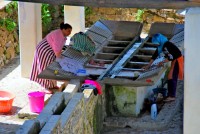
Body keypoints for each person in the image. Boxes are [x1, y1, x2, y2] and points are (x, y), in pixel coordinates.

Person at [30, 22, 72, 94]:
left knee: (52, 68)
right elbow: (57, 52)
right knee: (45, 68)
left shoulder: (62, 35)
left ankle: (52, 85)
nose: (69, 33)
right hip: (43, 50)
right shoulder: (58, 35)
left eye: (70, 31)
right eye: (68, 31)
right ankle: (44, 87)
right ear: (63, 29)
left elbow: (59, 50)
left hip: (49, 51)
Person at [142, 33, 184, 102]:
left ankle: (172, 96)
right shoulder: (162, 46)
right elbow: (154, 56)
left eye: (157, 42)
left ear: (160, 40)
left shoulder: (166, 45)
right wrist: (148, 66)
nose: (157, 44)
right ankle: (170, 94)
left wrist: (162, 62)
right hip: (175, 59)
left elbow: (171, 56)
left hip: (177, 59)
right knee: (170, 76)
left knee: (171, 76)